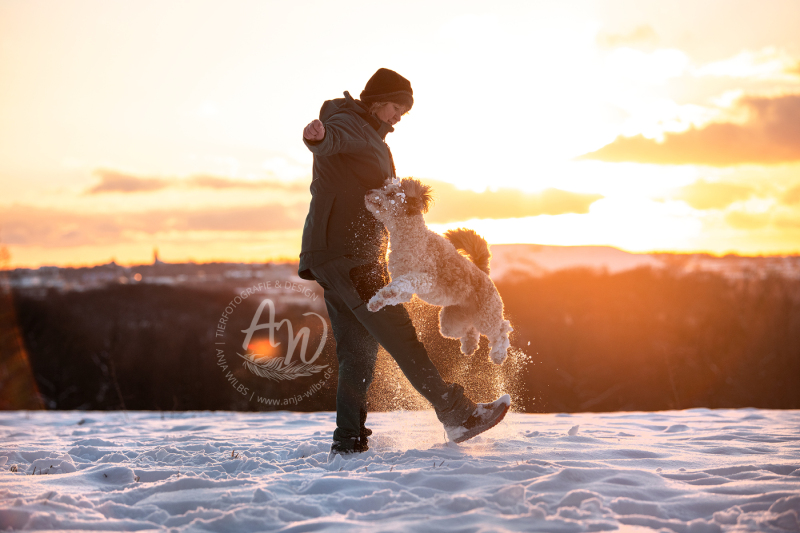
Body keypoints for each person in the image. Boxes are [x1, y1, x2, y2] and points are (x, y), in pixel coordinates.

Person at [299, 68, 509, 457]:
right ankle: (457, 413)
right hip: (351, 257)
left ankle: (348, 441)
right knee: (400, 336)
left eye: (403, 111)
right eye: (397, 107)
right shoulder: (347, 122)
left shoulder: (369, 133)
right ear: (378, 101)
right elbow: (332, 139)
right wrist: (319, 137)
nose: (399, 117)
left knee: (357, 350)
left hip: (332, 255)